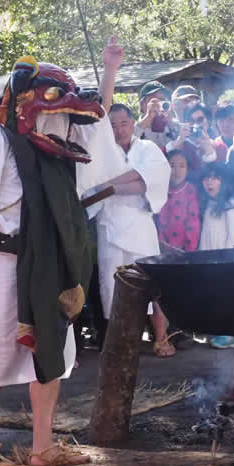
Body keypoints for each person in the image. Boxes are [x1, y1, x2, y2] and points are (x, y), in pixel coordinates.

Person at [0, 40, 125, 466]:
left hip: (52, 262)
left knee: (52, 347)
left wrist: (109, 72)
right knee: (0, 347)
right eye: (54, 109)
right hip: (3, 263)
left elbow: (98, 121)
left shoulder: (63, 143)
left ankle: (42, 446)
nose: (62, 118)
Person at [95, 103, 173, 357]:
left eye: (124, 124)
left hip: (141, 224)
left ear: (133, 123)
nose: (119, 130)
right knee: (113, 287)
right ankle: (121, 343)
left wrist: (110, 186)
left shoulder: (147, 148)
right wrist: (121, 184)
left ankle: (161, 338)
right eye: (114, 125)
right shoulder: (101, 153)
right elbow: (94, 186)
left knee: (153, 285)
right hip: (110, 226)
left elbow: (147, 182)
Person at [198, 162, 234, 349]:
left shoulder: (231, 205)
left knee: (225, 297)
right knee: (212, 296)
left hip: (223, 261)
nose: (209, 182)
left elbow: (233, 235)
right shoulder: (208, 203)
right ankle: (215, 331)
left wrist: (226, 260)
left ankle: (228, 334)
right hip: (207, 258)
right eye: (206, 178)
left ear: (223, 182)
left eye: (215, 178)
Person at [157, 150, 201, 253]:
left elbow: (193, 224)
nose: (177, 171)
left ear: (187, 170)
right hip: (158, 250)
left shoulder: (190, 191)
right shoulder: (160, 189)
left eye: (182, 166)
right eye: (172, 166)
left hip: (182, 252)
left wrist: (188, 252)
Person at [166, 102, 218, 173]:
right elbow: (163, 160)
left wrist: (208, 149)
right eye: (191, 121)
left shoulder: (218, 145)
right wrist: (179, 141)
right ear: (185, 123)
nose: (195, 124)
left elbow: (215, 175)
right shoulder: (180, 144)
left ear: (208, 121)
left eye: (200, 119)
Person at [135, 81, 176, 151]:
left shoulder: (173, 125)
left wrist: (172, 126)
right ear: (142, 104)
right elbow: (128, 143)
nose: (158, 104)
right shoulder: (130, 129)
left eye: (162, 100)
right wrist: (148, 118)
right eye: (154, 101)